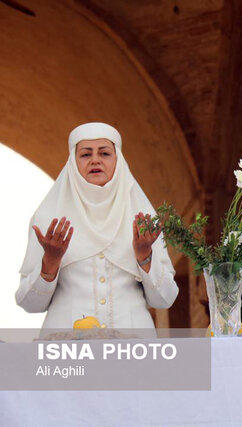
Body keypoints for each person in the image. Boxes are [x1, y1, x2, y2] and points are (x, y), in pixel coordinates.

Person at [16, 122, 179, 329]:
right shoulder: (50, 219)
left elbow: (164, 300)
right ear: (73, 162)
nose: (95, 160)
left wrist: (145, 256)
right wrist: (50, 261)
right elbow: (30, 304)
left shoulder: (142, 218)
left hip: (132, 348)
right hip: (69, 348)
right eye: (85, 154)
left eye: (104, 153)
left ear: (118, 160)